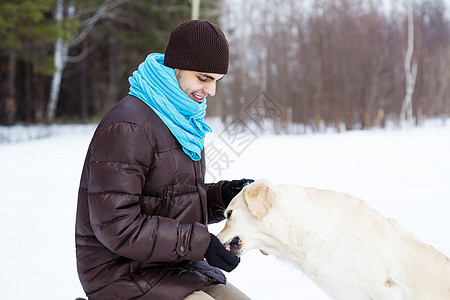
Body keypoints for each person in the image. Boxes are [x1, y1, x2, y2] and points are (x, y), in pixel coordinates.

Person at [75, 19, 253, 300]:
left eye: (216, 81)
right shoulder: (128, 126)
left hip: (171, 265)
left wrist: (224, 196)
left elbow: (169, 202)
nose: (211, 91)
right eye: (203, 78)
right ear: (176, 68)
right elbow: (117, 226)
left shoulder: (181, 118)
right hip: (121, 273)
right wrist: (200, 242)